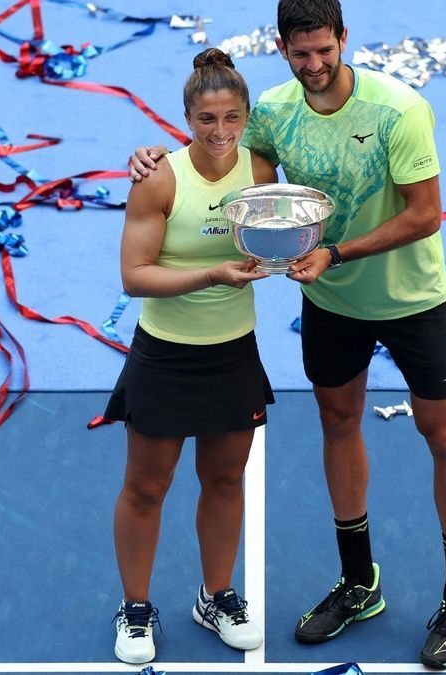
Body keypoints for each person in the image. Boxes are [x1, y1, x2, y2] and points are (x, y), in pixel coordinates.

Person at [129, 0, 446, 668]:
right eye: (301, 53)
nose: (315, 65)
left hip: (411, 300)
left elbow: (426, 215)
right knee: (339, 424)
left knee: (443, 433)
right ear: (282, 48)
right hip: (332, 302)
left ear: (344, 39)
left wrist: (339, 253)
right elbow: (235, 178)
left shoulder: (398, 110)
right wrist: (157, 160)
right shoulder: (276, 113)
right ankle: (358, 581)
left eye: (325, 50)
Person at [105, 47, 277, 665]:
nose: (221, 132)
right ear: (186, 118)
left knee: (225, 478)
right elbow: (134, 275)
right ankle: (134, 607)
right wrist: (212, 276)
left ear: (247, 117)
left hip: (233, 353)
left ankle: (216, 595)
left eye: (232, 118)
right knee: (147, 487)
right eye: (207, 119)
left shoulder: (259, 169)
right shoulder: (159, 177)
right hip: (166, 357)